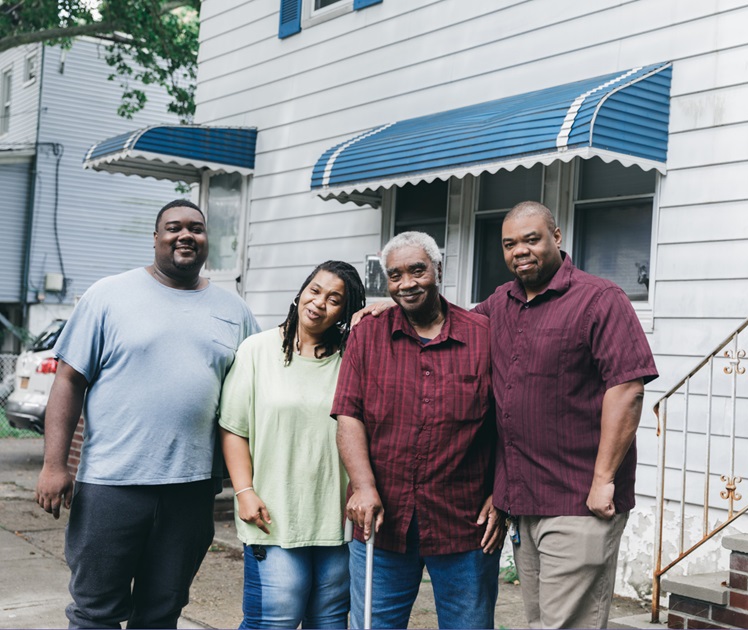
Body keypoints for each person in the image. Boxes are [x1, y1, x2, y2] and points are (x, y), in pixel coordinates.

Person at [34, 199, 259, 629]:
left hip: (191, 490)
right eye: (174, 227)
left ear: (207, 240)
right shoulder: (108, 295)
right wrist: (53, 465)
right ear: (155, 238)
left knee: (161, 612)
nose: (185, 235)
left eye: (196, 228)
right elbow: (68, 381)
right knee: (95, 612)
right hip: (111, 486)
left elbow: (265, 376)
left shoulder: (235, 311)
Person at [473, 201, 659, 629]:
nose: (520, 251)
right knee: (541, 621)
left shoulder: (600, 299)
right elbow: (450, 326)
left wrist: (603, 481)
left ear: (556, 237)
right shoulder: (500, 302)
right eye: (509, 244)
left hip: (579, 501)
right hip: (525, 501)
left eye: (531, 239)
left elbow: (627, 389)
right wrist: (387, 310)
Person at [333, 231, 505, 630]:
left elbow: (508, 422)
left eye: (417, 270)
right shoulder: (367, 334)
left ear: (438, 270)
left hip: (464, 525)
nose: (406, 283)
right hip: (383, 522)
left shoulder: (483, 335)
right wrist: (363, 486)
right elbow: (348, 415)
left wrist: (502, 494)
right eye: (395, 275)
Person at [218, 260, 366, 629]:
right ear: (301, 292)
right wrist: (244, 492)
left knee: (330, 621)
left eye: (334, 299)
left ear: (345, 311)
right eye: (315, 290)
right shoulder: (257, 350)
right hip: (273, 514)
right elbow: (234, 429)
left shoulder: (351, 358)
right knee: (275, 620)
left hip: (337, 519)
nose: (319, 302)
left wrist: (376, 312)